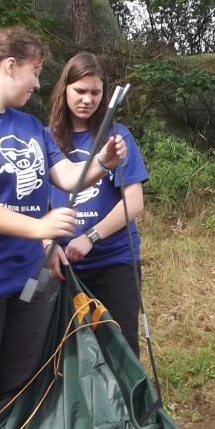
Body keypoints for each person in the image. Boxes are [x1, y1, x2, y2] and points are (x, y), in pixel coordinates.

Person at [0, 28, 126, 429]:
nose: (39, 83)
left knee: (19, 385)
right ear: (11, 65)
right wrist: (40, 229)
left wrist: (103, 162)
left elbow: (69, 177)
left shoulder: (30, 126)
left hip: (29, 281)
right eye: (36, 72)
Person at [47, 52, 148, 358]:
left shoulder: (117, 137)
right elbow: (34, 202)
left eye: (95, 92)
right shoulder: (44, 139)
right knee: (63, 348)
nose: (87, 99)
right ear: (64, 89)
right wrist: (48, 244)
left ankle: (129, 406)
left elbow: (134, 201)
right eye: (80, 91)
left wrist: (91, 237)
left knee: (119, 342)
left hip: (113, 261)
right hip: (60, 265)